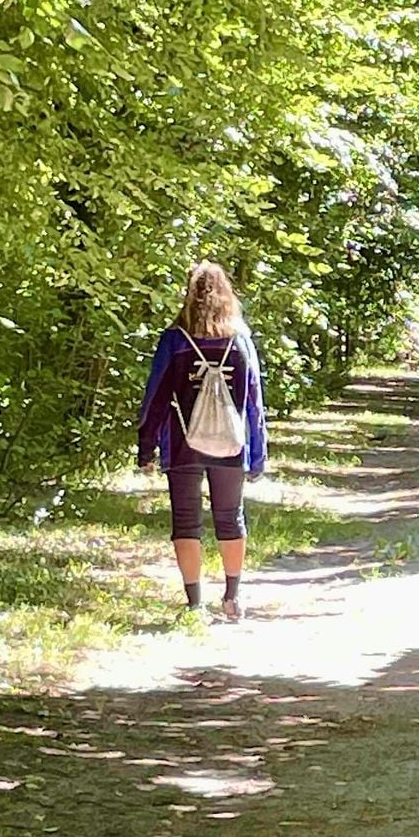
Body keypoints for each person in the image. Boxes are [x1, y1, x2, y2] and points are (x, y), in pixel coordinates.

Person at [138, 261, 267, 620]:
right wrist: (258, 454)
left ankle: (195, 604)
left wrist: (146, 446)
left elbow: (156, 397)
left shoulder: (175, 341)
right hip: (231, 444)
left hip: (183, 444)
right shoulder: (240, 341)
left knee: (185, 521)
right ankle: (232, 597)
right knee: (230, 517)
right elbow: (254, 401)